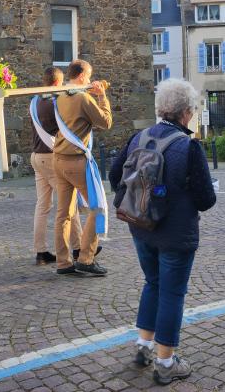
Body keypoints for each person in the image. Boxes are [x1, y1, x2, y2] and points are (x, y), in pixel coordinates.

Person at [109, 78, 216, 385]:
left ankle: (143, 345)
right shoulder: (188, 147)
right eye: (192, 110)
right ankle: (166, 363)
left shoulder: (138, 137)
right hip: (175, 233)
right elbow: (206, 200)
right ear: (185, 113)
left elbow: (115, 175)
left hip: (140, 226)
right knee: (172, 293)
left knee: (152, 283)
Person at [53, 60, 112, 276]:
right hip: (76, 161)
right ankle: (86, 258)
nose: (89, 80)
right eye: (88, 76)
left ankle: (63, 262)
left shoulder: (60, 95)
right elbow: (105, 122)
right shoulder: (82, 97)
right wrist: (101, 96)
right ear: (80, 76)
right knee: (98, 208)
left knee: (64, 214)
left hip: (58, 159)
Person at [30, 67, 82, 265]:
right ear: (58, 83)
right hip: (51, 156)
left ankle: (41, 252)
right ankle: (78, 248)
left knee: (42, 206)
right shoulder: (55, 103)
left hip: (36, 156)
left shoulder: (34, 101)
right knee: (69, 204)